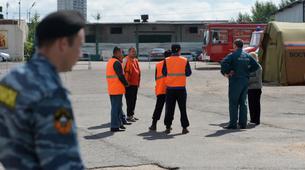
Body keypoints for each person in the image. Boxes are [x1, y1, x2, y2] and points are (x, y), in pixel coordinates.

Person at [0, 11, 85, 169]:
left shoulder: (9, 81)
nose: (80, 54)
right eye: (79, 46)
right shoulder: (51, 93)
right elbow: (64, 162)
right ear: (63, 44)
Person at [221, 39, 260, 129]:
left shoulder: (232, 55)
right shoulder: (247, 55)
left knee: (233, 102)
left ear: (235, 46)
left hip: (235, 81)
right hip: (245, 81)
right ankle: (243, 124)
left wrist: (227, 72)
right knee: (243, 102)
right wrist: (247, 72)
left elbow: (223, 63)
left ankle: (233, 124)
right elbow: (256, 66)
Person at [163, 44, 192, 134]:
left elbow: (164, 73)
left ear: (172, 51)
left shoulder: (166, 60)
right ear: (179, 50)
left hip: (170, 89)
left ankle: (168, 127)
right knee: (182, 109)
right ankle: (184, 128)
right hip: (181, 89)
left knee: (169, 109)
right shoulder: (184, 60)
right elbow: (188, 73)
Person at [106, 47, 129, 132]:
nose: (122, 54)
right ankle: (114, 126)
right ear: (117, 53)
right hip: (117, 89)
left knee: (117, 108)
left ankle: (119, 124)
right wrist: (126, 83)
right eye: (121, 52)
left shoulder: (110, 61)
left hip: (112, 88)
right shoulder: (116, 63)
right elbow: (120, 76)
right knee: (116, 108)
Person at [149, 50, 171, 131]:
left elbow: (156, 78)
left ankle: (154, 124)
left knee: (158, 107)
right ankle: (168, 126)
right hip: (170, 89)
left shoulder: (158, 65)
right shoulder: (172, 64)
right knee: (169, 109)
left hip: (160, 89)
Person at [123, 47, 141, 122]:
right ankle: (129, 116)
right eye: (132, 51)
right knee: (129, 100)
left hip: (135, 83)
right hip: (128, 84)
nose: (134, 53)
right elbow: (123, 72)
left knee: (133, 100)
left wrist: (138, 82)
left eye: (135, 51)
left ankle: (131, 114)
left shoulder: (135, 60)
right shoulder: (125, 60)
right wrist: (125, 83)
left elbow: (138, 71)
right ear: (129, 52)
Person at [248, 52, 262, 125]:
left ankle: (256, 120)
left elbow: (257, 78)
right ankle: (252, 119)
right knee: (251, 104)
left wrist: (247, 79)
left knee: (256, 104)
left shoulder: (258, 67)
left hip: (256, 88)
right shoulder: (251, 67)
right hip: (250, 88)